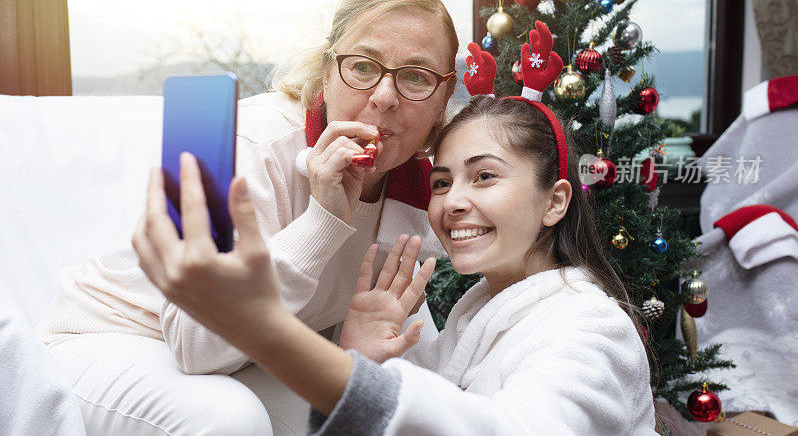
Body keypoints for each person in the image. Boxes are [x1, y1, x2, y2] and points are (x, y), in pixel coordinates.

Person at [136, 23, 658, 434]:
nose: (454, 202)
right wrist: (357, 358)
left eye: (485, 176)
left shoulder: (590, 331)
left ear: (555, 201)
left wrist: (265, 329)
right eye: (441, 181)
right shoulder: (469, 318)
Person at [36, 0, 459, 435]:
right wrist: (324, 219)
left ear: (443, 99)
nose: (383, 97)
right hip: (118, 336)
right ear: (326, 69)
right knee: (230, 422)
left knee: (377, 420)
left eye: (416, 77)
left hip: (245, 357)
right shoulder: (254, 145)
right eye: (362, 67)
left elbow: (383, 339)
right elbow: (196, 345)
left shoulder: (416, 191)